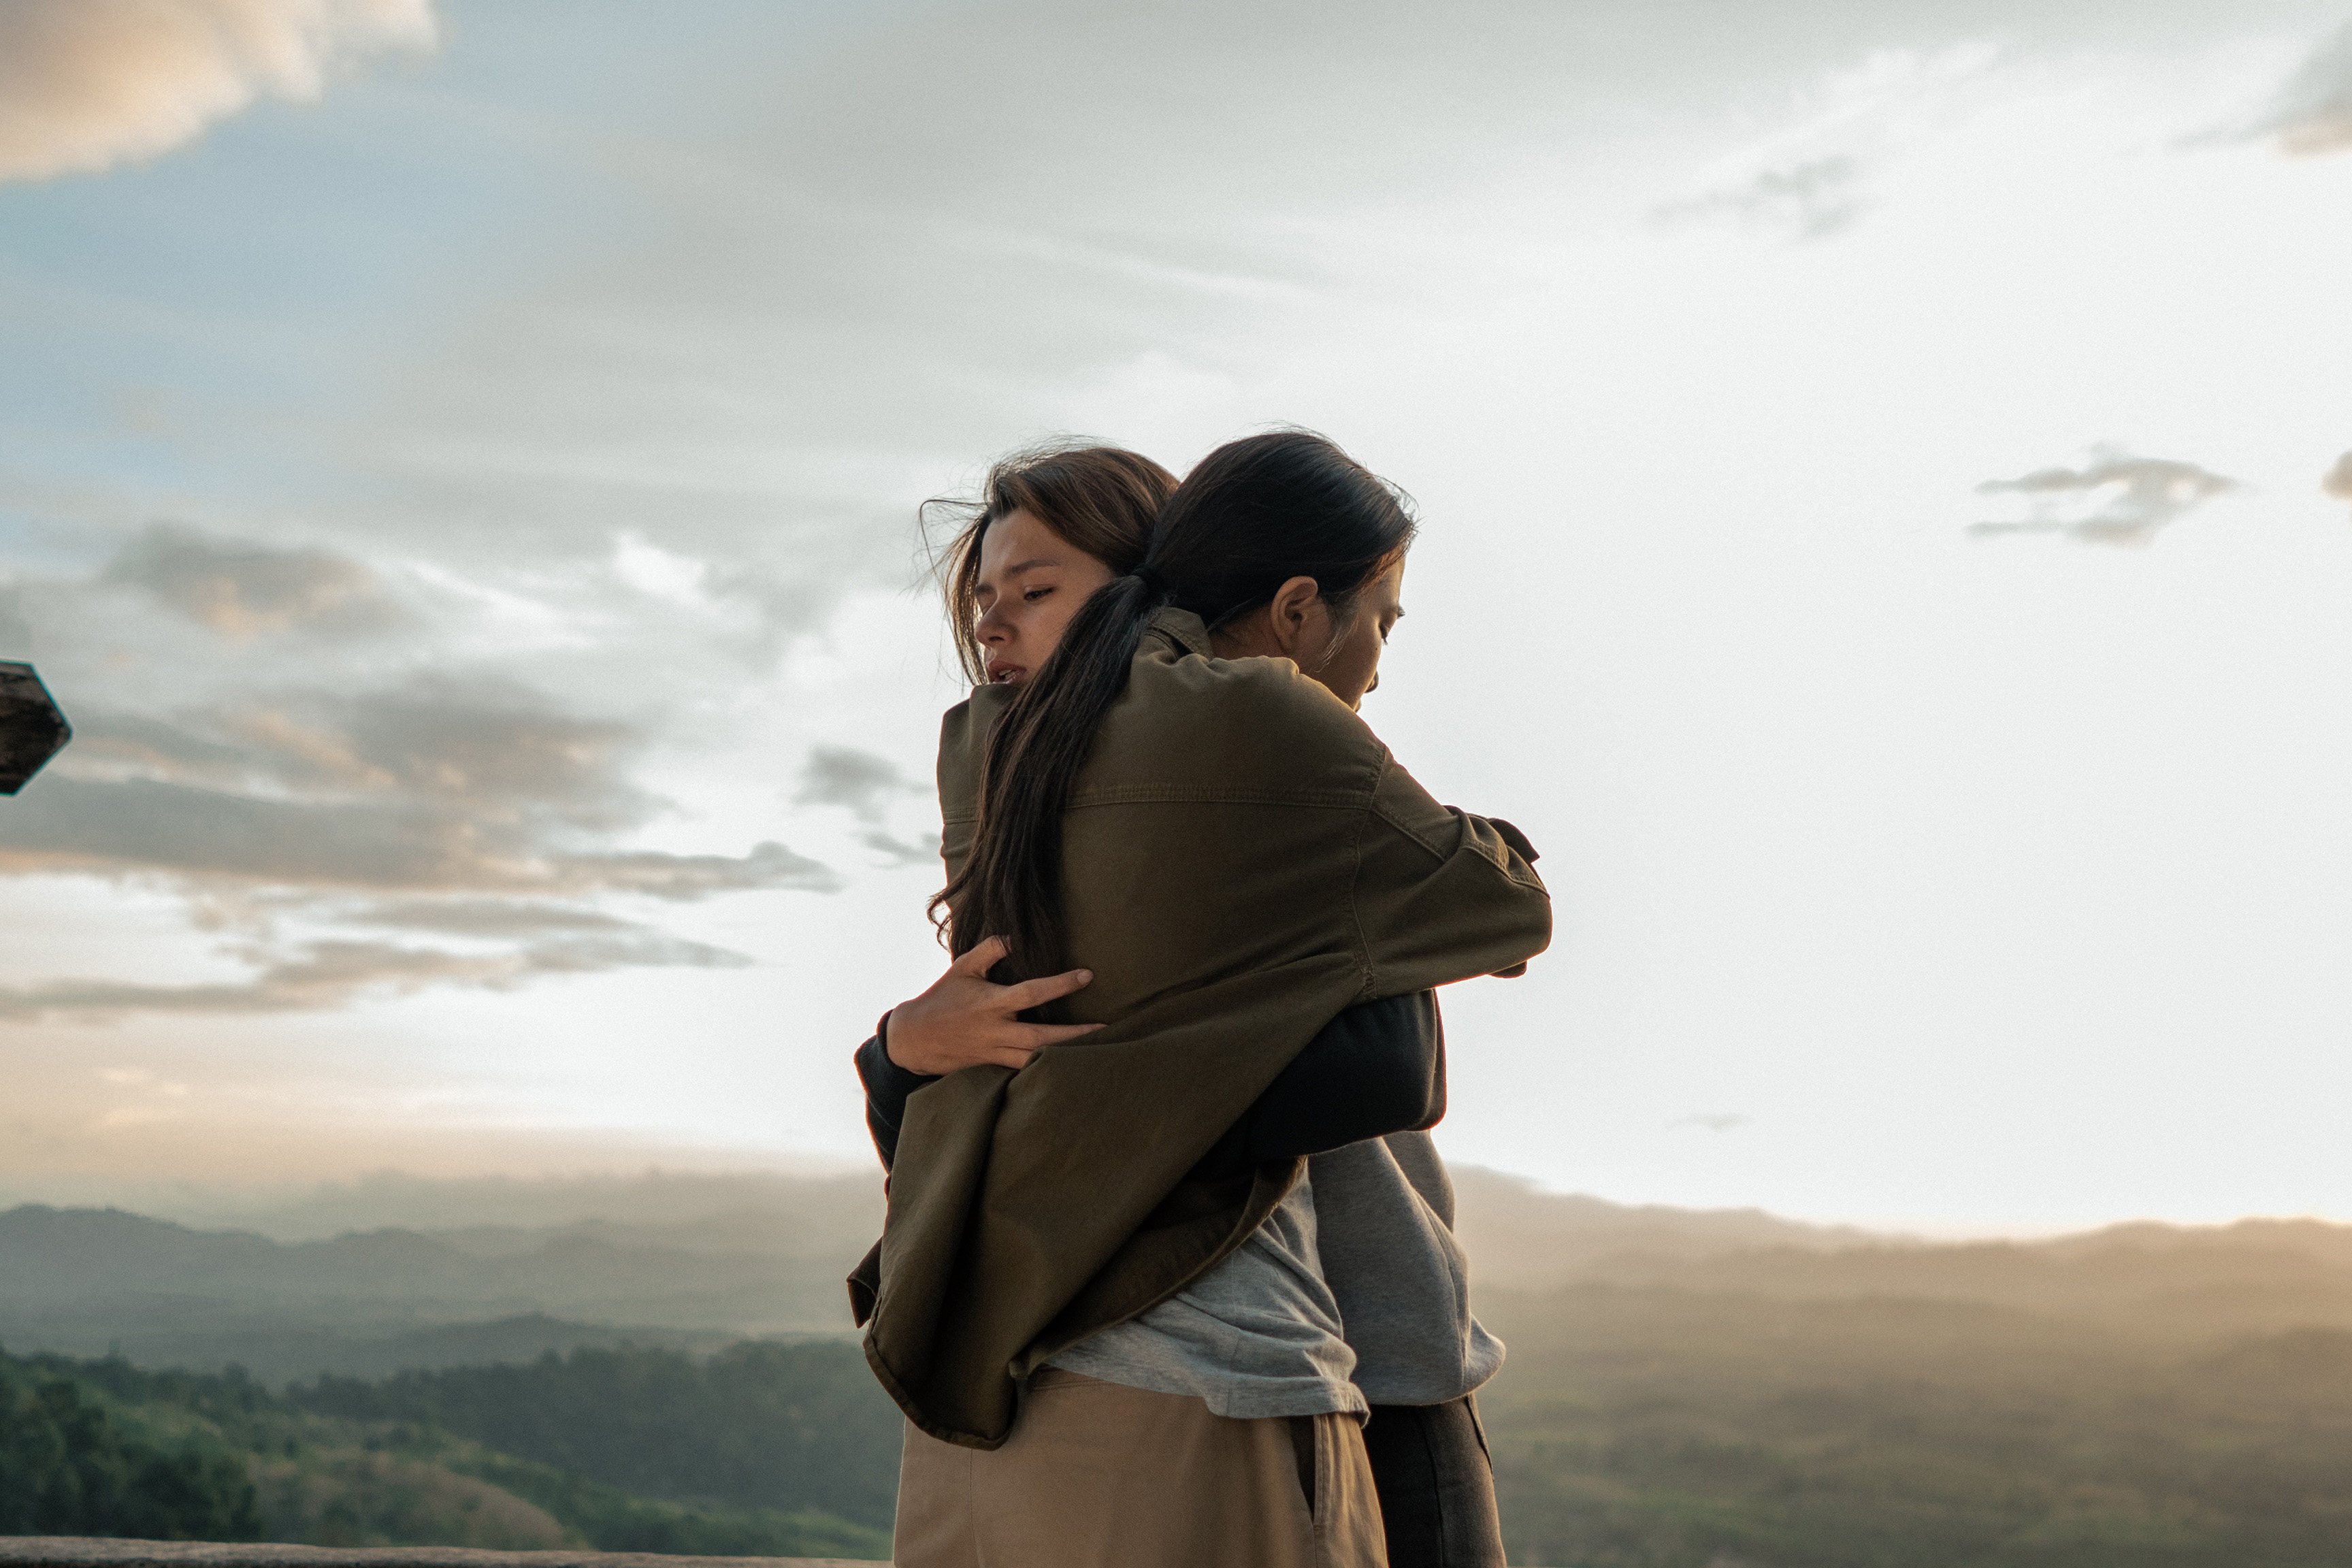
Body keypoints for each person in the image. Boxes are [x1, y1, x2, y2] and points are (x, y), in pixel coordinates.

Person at [851, 434, 1551, 1567]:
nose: (991, 627)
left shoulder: (1224, 790)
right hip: (1253, 1368)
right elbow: (1410, 1035)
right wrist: (905, 1057)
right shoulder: (1062, 802)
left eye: (1034, 592)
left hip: (1369, 1341)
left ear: (1151, 593)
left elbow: (1386, 1070)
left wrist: (946, 1072)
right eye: (984, 600)